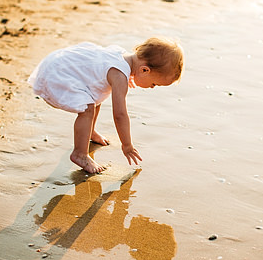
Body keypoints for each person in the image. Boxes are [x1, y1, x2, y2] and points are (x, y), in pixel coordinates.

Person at [29, 37, 184, 174]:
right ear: (144, 70)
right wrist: (127, 145)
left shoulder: (122, 56)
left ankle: (90, 132)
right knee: (87, 108)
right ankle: (80, 154)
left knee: (96, 97)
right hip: (57, 75)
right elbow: (120, 115)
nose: (152, 87)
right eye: (154, 84)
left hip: (59, 62)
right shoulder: (119, 76)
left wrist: (129, 75)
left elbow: (103, 67)